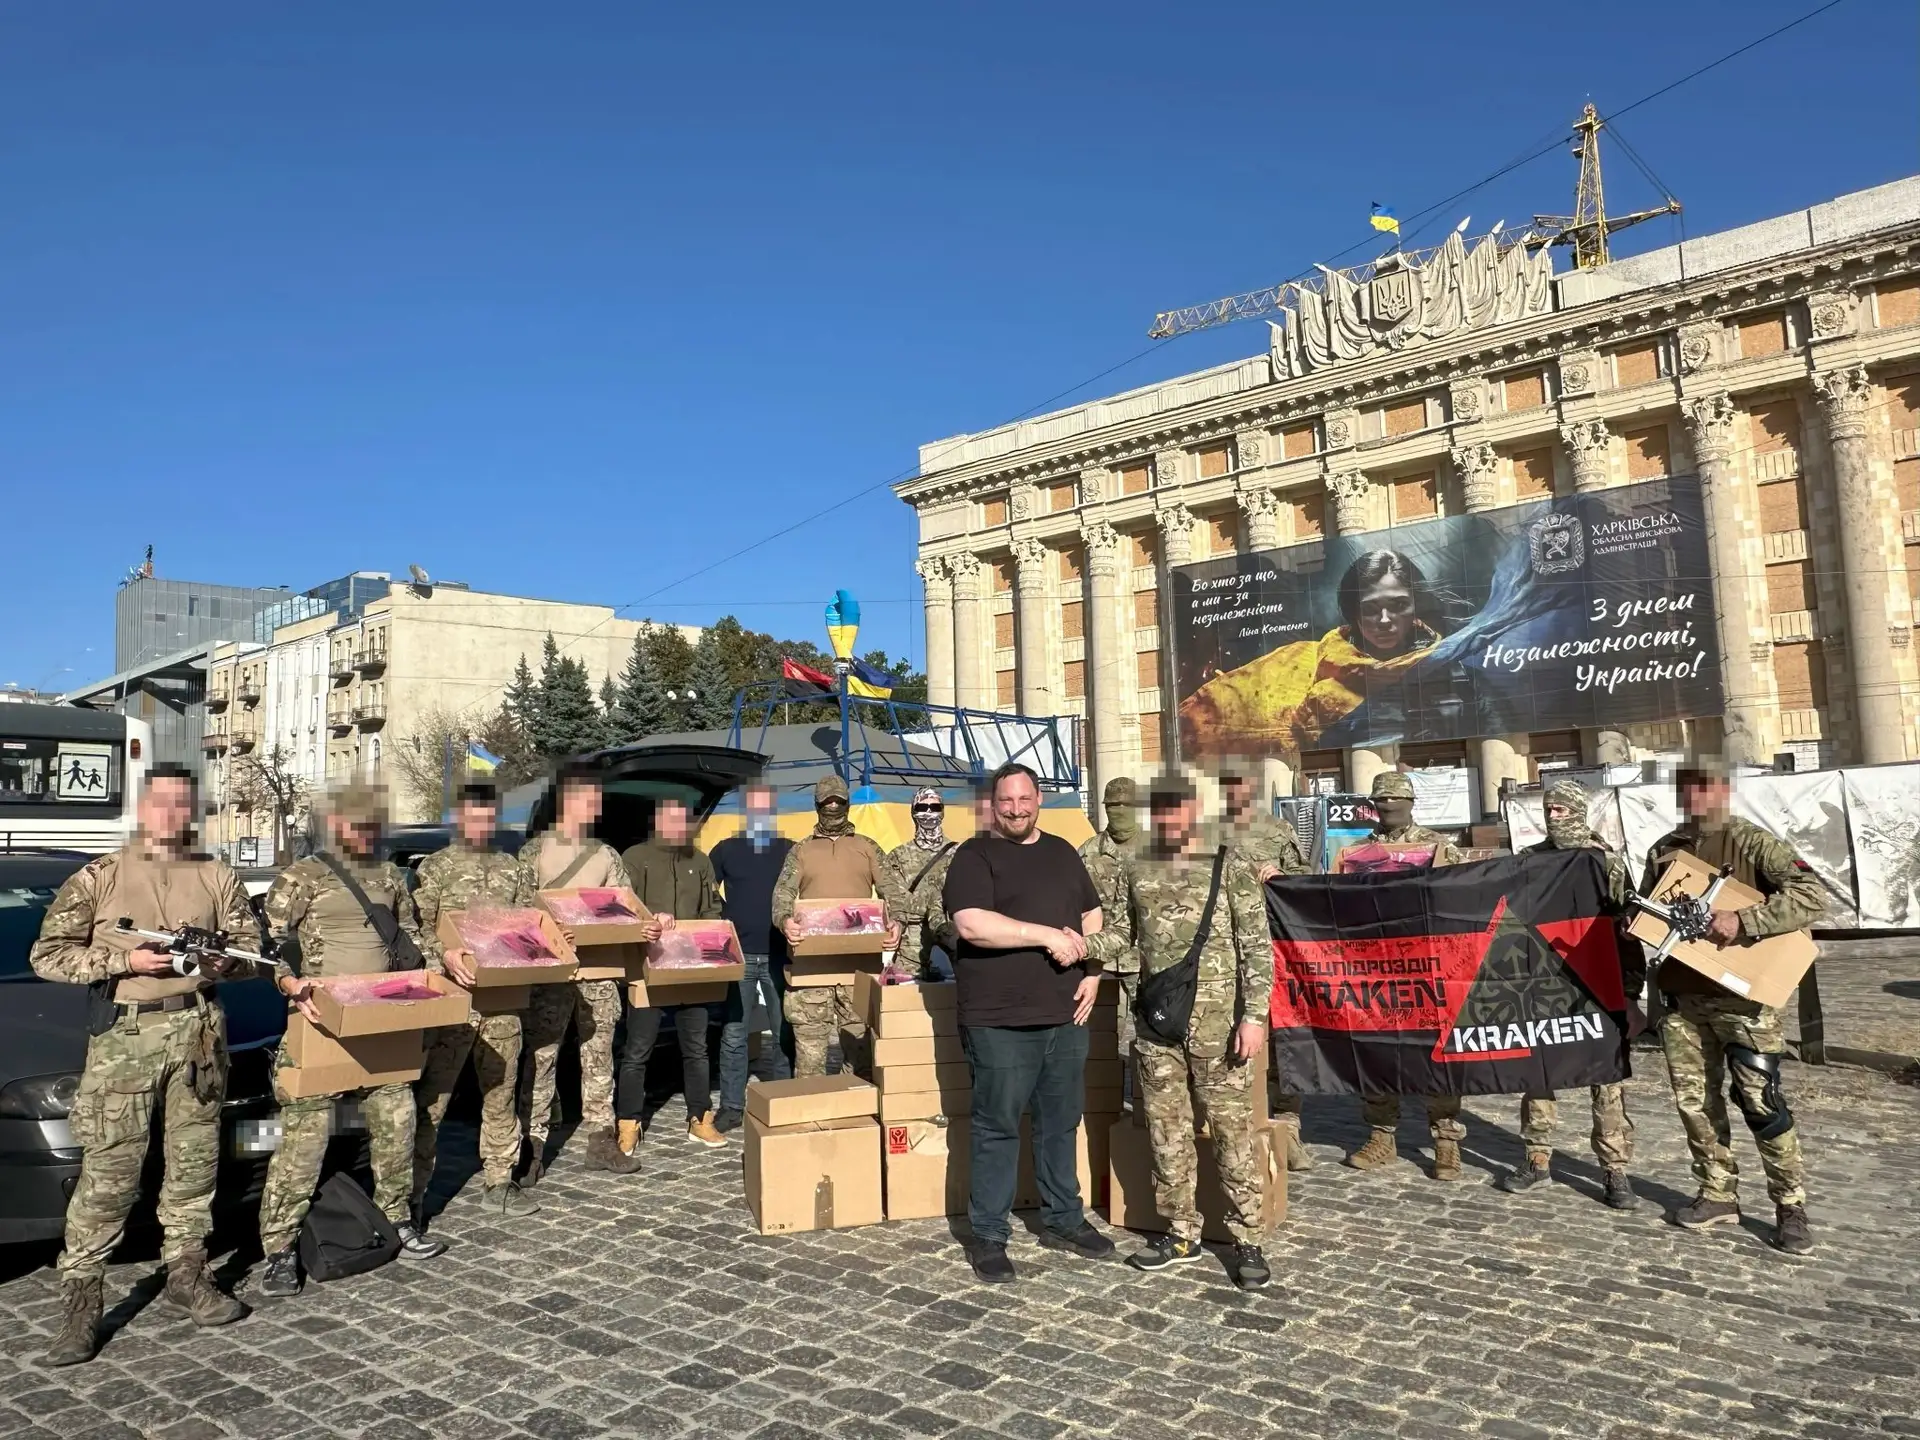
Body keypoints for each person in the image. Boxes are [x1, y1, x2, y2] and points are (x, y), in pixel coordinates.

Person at [31, 764, 256, 1364]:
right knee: (109, 1179)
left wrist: (222, 963)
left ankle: (188, 1276)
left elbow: (250, 949)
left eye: (184, 806)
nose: (174, 816)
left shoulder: (215, 873)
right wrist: (127, 963)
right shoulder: (101, 876)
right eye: (163, 805)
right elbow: (49, 956)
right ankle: (81, 1308)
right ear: (143, 808)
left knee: (194, 1168)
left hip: (199, 1034)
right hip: (126, 1039)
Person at [255, 781, 446, 1299]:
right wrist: (290, 984)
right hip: (319, 1022)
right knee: (303, 1140)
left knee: (397, 1121)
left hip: (382, 1018)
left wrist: (437, 977)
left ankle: (395, 1219)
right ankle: (280, 1248)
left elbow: (411, 939)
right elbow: (265, 945)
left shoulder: (389, 875)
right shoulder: (302, 876)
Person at [1091, 773, 1275, 1289]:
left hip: (1221, 1029)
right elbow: (1121, 936)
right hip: (1157, 1025)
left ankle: (1248, 1240)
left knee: (1232, 1135)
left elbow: (1257, 948)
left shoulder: (1228, 863)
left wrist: (1254, 1017)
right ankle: (1180, 1232)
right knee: (1166, 1132)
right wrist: (1076, 946)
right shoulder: (1138, 867)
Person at [1644, 756, 1827, 1254]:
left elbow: (1814, 895)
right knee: (1695, 1104)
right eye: (1689, 790)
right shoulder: (1665, 849)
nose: (1697, 799)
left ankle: (1790, 1205)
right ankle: (1717, 1193)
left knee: (1761, 1103)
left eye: (1706, 789)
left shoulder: (1751, 842)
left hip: (1744, 1002)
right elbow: (1651, 910)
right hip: (1683, 1000)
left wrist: (1745, 921)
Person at [943, 762, 1111, 1283]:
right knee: (996, 1129)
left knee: (1060, 1123)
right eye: (1005, 801)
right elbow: (972, 925)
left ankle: (1063, 1217)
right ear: (992, 805)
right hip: (999, 1020)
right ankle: (989, 1235)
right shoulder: (975, 855)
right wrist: (1046, 936)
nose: (1015, 809)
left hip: (1065, 1014)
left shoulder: (1063, 852)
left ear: (1038, 800)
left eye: (1024, 799)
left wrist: (1092, 969)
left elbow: (1093, 914)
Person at [1497, 777, 1641, 1210]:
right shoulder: (1530, 862)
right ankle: (1537, 1159)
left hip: (1599, 985)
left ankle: (1615, 1170)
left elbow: (1630, 932)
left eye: (1561, 810)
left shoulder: (1606, 863)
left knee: (1606, 1080)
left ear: (1578, 811)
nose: (1553, 816)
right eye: (1549, 810)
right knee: (1539, 1074)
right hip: (1545, 986)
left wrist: (1631, 994)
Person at [412, 779, 541, 1220]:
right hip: (453, 1000)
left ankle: (500, 1180)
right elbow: (416, 929)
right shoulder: (437, 867)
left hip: (502, 1000)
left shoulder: (513, 868)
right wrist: (442, 955)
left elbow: (528, 925)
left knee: (501, 1091)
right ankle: (412, 1194)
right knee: (434, 1097)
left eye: (489, 815)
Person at [516, 763, 651, 1178]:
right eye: (590, 798)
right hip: (550, 973)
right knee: (541, 1057)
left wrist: (645, 923)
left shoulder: (605, 854)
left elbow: (625, 906)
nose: (595, 806)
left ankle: (600, 1140)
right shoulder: (533, 852)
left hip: (599, 972)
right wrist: (551, 933)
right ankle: (531, 1145)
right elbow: (518, 914)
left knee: (598, 1058)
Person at [1179, 549, 1445, 755]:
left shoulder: (1446, 665)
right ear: (1354, 613)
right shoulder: (1300, 659)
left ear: (1415, 606)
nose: (1385, 620)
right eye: (1371, 609)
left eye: (1398, 605)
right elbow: (1202, 721)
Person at [1344, 769, 1468, 1180]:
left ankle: (1446, 1142)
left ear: (1412, 803)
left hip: (1427, 969)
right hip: (1375, 970)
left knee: (1437, 1056)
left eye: (1396, 802)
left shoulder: (1438, 847)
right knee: (1378, 1054)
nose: (1389, 808)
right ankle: (1382, 1135)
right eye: (1382, 802)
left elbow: (1459, 898)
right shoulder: (1357, 852)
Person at [770, 775, 904, 1077]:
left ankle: (857, 1117)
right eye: (827, 801)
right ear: (817, 804)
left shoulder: (867, 847)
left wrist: (896, 921)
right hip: (811, 969)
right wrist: (785, 921)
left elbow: (892, 892)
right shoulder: (801, 851)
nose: (833, 806)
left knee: (860, 1055)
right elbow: (782, 894)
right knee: (810, 1058)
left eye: (839, 801)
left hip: (858, 969)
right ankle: (810, 1117)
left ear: (847, 803)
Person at [1216, 760, 1313, 1172]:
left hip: (1272, 951)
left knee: (1283, 1039)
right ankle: (1237, 1125)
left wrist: (1282, 876)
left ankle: (1287, 1127)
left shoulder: (1277, 830)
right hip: (1221, 955)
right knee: (1226, 1039)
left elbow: (1306, 879)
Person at [621, 796, 726, 1147]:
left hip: (690, 968)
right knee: (638, 1050)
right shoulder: (636, 857)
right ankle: (628, 1122)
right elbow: (622, 905)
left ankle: (699, 1116)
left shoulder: (700, 860)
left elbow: (713, 908)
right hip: (647, 967)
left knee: (696, 1048)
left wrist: (703, 930)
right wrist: (649, 919)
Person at [710, 782, 796, 1132]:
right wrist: (723, 918)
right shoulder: (726, 850)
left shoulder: (790, 850)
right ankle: (731, 1106)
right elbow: (706, 890)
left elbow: (802, 892)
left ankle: (782, 1098)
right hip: (739, 955)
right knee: (734, 1034)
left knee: (783, 1031)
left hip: (779, 953)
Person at [880, 787, 959, 981]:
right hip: (911, 939)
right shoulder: (898, 856)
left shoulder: (960, 853)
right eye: (923, 807)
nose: (930, 812)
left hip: (950, 935)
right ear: (913, 812)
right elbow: (894, 899)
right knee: (909, 994)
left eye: (935, 807)